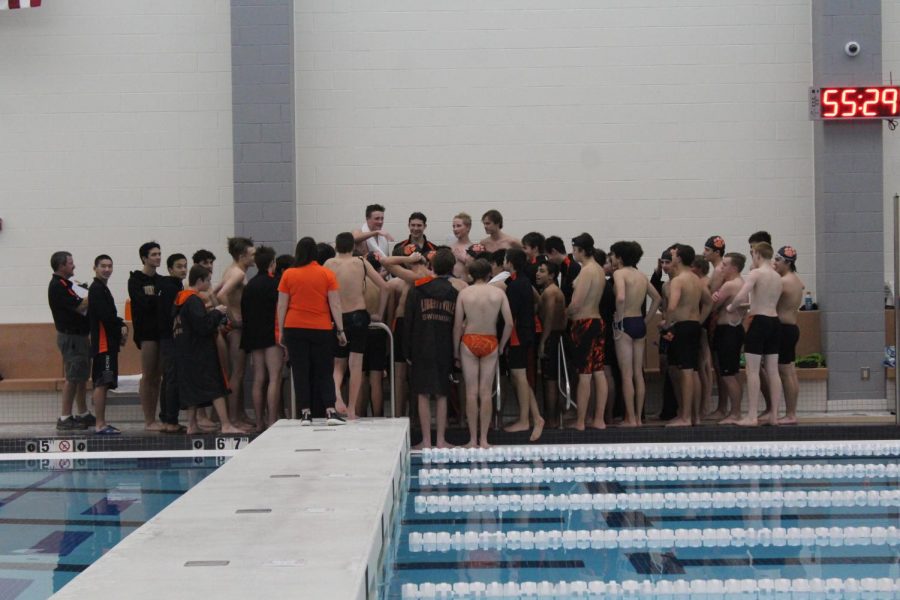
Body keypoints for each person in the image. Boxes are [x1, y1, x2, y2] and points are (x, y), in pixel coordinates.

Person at [277, 237, 347, 425]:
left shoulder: (288, 274)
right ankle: (330, 411)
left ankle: (305, 413)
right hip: (321, 327)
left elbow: (282, 304)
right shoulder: (326, 274)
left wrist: (281, 330)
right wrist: (340, 330)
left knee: (300, 371)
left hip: (294, 327)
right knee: (325, 370)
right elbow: (335, 303)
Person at [173, 266, 245, 434]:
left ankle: (192, 425)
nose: (210, 284)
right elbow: (203, 326)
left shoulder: (179, 300)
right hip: (200, 352)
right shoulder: (193, 300)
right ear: (200, 281)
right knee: (216, 386)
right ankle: (226, 424)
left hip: (184, 352)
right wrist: (217, 313)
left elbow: (190, 323)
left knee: (191, 389)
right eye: (208, 280)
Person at [325, 232, 390, 419]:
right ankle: (352, 410)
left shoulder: (329, 264)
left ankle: (337, 395)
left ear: (336, 246)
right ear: (353, 247)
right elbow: (385, 286)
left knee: (338, 366)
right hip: (360, 316)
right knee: (356, 366)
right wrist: (379, 312)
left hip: (338, 317)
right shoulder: (361, 262)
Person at [453, 258, 513, 448]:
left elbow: (457, 326)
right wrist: (502, 346)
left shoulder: (464, 293)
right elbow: (510, 323)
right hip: (490, 341)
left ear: (470, 275)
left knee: (471, 392)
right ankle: (485, 440)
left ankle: (472, 439)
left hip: (470, 340)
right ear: (490, 274)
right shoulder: (498, 293)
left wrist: (455, 351)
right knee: (486, 392)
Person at [405, 249, 459, 448]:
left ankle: (426, 441)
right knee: (442, 393)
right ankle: (441, 440)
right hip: (444, 346)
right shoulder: (453, 293)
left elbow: (408, 322)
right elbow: (457, 323)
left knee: (422, 393)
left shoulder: (418, 290)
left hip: (421, 345)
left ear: (432, 267)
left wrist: (407, 351)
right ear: (452, 268)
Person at [726, 242, 783, 427]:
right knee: (773, 371)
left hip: (758, 322)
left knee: (752, 371)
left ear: (757, 254)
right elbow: (765, 300)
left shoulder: (756, 273)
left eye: (753, 254)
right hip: (774, 322)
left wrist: (730, 307)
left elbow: (742, 294)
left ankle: (752, 416)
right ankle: (774, 415)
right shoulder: (777, 276)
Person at [610, 241, 661, 427]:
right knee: (638, 374)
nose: (611, 258)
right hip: (639, 323)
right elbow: (657, 298)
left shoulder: (619, 273)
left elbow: (621, 297)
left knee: (626, 374)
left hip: (625, 323)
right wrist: (646, 320)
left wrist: (619, 318)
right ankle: (639, 418)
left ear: (620, 257)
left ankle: (630, 418)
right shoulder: (641, 275)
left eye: (613, 255)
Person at [664, 244, 712, 427]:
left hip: (681, 327)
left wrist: (667, 324)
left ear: (680, 258)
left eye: (673, 254)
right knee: (692, 371)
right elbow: (708, 303)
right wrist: (699, 321)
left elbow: (672, 305)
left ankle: (684, 417)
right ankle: (695, 416)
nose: (671, 256)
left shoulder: (678, 280)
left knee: (685, 372)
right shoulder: (696, 279)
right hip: (693, 326)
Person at [48, 251, 94, 430]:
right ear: (61, 266)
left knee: (82, 376)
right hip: (71, 337)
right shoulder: (58, 286)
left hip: (80, 336)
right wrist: (96, 292)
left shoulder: (68, 284)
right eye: (70, 263)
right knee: (73, 377)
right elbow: (79, 305)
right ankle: (65, 417)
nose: (73, 266)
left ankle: (82, 413)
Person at [501, 248, 544, 440]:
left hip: (518, 335)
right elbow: (536, 300)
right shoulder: (522, 281)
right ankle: (535, 418)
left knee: (520, 377)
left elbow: (510, 315)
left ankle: (526, 420)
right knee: (521, 378)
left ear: (509, 262)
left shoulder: (517, 285)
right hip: (524, 333)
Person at [567, 234, 608, 430]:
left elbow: (576, 303)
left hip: (584, 323)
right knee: (598, 371)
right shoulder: (599, 270)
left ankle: (581, 421)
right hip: (598, 322)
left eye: (574, 249)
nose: (573, 253)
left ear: (581, 250)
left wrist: (564, 314)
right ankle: (599, 419)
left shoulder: (586, 271)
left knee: (584, 373)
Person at [241, 246, 282, 431]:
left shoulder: (250, 285)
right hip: (271, 335)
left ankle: (259, 422)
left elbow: (245, 312)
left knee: (259, 378)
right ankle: (272, 420)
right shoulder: (276, 283)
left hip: (254, 335)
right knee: (274, 378)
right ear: (272, 263)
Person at [217, 236, 256, 427]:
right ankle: (233, 418)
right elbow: (221, 294)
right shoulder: (238, 274)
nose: (254, 257)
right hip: (236, 330)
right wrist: (232, 318)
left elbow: (213, 293)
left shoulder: (231, 270)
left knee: (236, 374)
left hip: (232, 329)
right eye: (252, 254)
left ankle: (239, 415)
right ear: (242, 255)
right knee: (237, 374)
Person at [87, 255, 128, 435]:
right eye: (103, 266)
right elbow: (106, 316)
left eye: (110, 266)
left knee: (103, 382)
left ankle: (101, 423)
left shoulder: (102, 288)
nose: (107, 269)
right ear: (95, 268)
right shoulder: (96, 289)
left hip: (107, 343)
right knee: (102, 382)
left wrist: (121, 326)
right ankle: (100, 424)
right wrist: (121, 327)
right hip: (103, 344)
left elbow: (109, 315)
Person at [128, 241, 164, 431]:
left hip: (161, 332)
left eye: (159, 254)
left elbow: (160, 303)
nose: (158, 257)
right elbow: (142, 303)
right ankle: (148, 419)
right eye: (154, 254)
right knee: (148, 375)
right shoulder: (135, 280)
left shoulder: (161, 281)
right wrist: (154, 298)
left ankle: (154, 417)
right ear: (144, 258)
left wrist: (154, 297)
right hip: (146, 333)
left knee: (158, 377)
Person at [709, 252, 747, 425]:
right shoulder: (742, 283)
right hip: (735, 330)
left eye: (725, 265)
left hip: (728, 332)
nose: (721, 268)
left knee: (728, 374)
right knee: (733, 372)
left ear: (734, 268)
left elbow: (712, 307)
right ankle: (735, 411)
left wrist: (712, 296)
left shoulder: (730, 285)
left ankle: (735, 412)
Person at [774, 245, 805, 425]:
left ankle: (791, 414)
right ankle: (791, 412)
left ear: (787, 262)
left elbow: (766, 298)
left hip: (784, 330)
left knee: (786, 373)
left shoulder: (783, 282)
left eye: (778, 260)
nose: (775, 263)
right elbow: (801, 285)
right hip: (791, 328)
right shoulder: (795, 279)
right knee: (790, 372)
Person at [157, 253, 188, 433]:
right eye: (179, 266)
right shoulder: (171, 288)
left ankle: (166, 418)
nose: (183, 269)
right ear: (170, 269)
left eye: (185, 266)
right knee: (172, 379)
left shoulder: (172, 285)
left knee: (168, 378)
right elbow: (172, 315)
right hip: (171, 338)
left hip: (167, 337)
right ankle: (170, 420)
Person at [536, 261, 566, 428]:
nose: (537, 274)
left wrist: (543, 342)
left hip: (552, 337)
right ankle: (552, 418)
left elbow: (548, 319)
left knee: (551, 380)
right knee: (552, 379)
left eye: (542, 271)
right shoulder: (551, 291)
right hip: (555, 336)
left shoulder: (551, 292)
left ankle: (552, 420)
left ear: (552, 275)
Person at [546, 236, 581, 306]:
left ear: (553, 251)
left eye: (547, 256)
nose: (548, 259)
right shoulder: (563, 267)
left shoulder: (573, 267)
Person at [450, 212, 473, 278]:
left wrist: (463, 259)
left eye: (459, 226)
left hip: (467, 284)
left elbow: (477, 270)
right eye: (453, 226)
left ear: (468, 227)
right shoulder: (450, 247)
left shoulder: (473, 248)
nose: (455, 229)